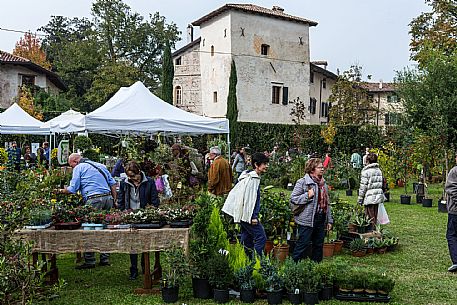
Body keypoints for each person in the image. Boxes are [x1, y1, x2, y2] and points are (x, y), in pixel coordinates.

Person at [57, 153, 117, 269]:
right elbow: (113, 184)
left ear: (75, 162)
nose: (72, 168)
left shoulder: (79, 167)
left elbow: (72, 189)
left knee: (89, 228)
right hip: (108, 198)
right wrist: (114, 200)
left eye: (71, 165)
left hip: (93, 200)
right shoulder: (101, 165)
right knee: (105, 228)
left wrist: (59, 191)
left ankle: (90, 260)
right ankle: (105, 258)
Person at [118, 161, 160, 280]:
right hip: (130, 216)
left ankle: (144, 266)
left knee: (144, 242)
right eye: (129, 176)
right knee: (132, 243)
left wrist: (152, 212)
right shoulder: (124, 183)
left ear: (139, 173)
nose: (132, 178)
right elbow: (121, 199)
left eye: (133, 176)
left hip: (145, 216)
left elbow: (154, 199)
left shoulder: (149, 182)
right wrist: (122, 213)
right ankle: (134, 269)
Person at [222, 152, 269, 257]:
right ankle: (257, 262)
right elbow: (248, 200)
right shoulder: (251, 180)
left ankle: (246, 261)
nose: (266, 166)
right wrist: (252, 217)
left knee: (246, 238)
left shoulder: (250, 177)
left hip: (243, 214)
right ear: (256, 165)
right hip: (248, 215)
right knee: (261, 237)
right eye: (264, 164)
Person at [290, 158, 333, 263]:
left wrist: (329, 220)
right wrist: (307, 196)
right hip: (307, 219)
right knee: (303, 244)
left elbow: (327, 203)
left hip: (320, 218)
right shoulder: (303, 182)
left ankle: (316, 267)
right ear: (312, 169)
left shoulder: (323, 184)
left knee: (318, 245)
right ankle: (293, 267)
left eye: (322, 167)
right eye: (319, 167)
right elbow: (293, 199)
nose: (322, 169)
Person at [357, 153, 385, 227]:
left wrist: (360, 199)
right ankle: (374, 231)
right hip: (378, 196)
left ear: (368, 161)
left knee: (369, 217)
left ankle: (371, 233)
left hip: (369, 197)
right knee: (374, 215)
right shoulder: (379, 170)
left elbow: (363, 187)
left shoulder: (366, 172)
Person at [445, 153, 457, 272]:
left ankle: (456, 261)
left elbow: (451, 189)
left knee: (451, 235)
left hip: (455, 211)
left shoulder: (454, 171)